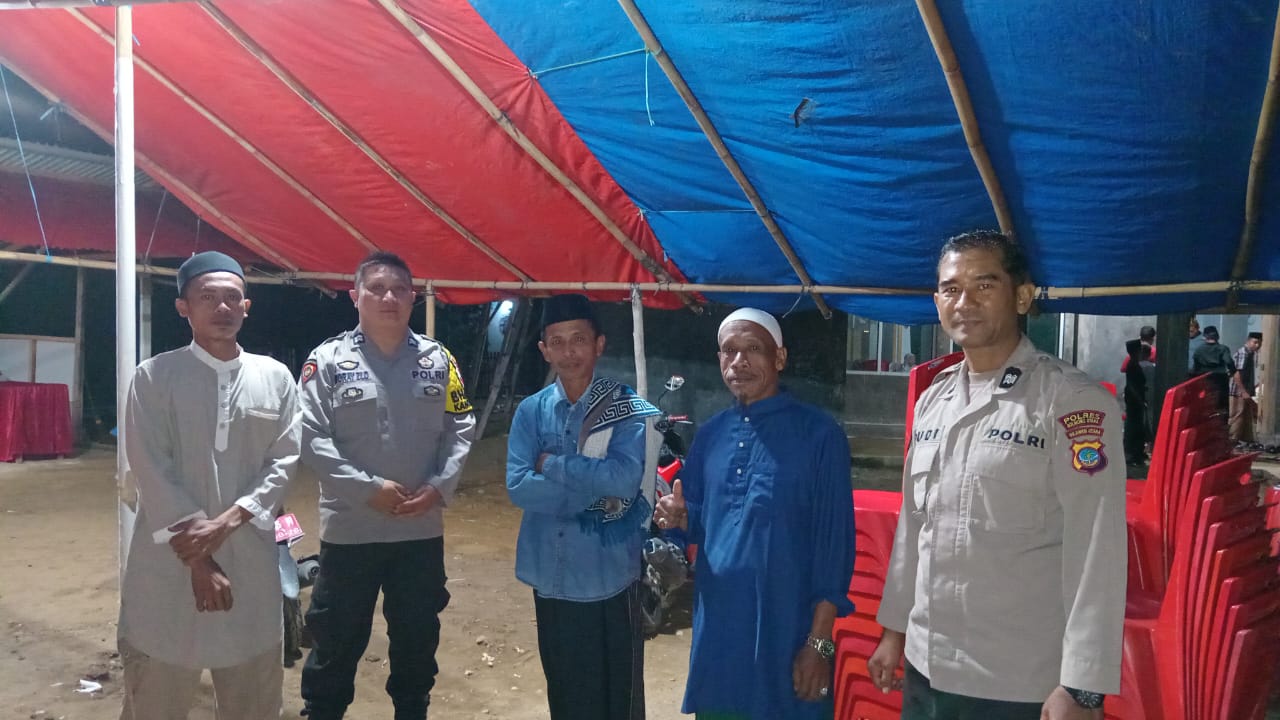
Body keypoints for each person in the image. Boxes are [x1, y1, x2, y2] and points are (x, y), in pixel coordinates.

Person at [868, 230, 1127, 719]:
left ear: (1022, 296)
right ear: (936, 302)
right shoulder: (933, 400)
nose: (964, 302)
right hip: (926, 665)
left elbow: (1097, 549)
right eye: (950, 289)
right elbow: (914, 530)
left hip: (1015, 678)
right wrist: (894, 632)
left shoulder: (1072, 402)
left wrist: (1083, 687)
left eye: (984, 285)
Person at [119, 251, 301, 719]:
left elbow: (283, 460)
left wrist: (230, 520)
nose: (222, 308)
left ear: (246, 306)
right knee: (156, 696)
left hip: (250, 560)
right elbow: (151, 469)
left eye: (232, 298)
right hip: (168, 564)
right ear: (184, 307)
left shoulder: (275, 378)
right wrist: (200, 560)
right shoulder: (154, 377)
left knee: (253, 697)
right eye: (207, 297)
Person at [653, 307, 856, 720]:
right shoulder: (710, 435)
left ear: (779, 358)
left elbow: (834, 547)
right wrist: (680, 517)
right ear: (719, 359)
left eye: (753, 349)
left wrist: (819, 644)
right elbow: (706, 518)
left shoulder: (820, 435)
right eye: (729, 351)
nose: (739, 362)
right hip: (719, 638)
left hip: (788, 635)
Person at [298, 251, 476, 720]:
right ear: (355, 296)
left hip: (419, 533)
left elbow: (460, 426)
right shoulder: (327, 360)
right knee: (335, 643)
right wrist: (367, 489)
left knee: (417, 643)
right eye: (376, 288)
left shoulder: (439, 360)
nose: (388, 298)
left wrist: (438, 487)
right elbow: (309, 436)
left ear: (413, 297)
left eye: (399, 289)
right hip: (351, 533)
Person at [506, 294, 658, 720]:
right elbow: (518, 487)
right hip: (550, 576)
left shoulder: (624, 406)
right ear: (544, 349)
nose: (568, 352)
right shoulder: (530, 412)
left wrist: (552, 465)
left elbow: (624, 480)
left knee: (618, 693)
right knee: (566, 690)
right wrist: (595, 491)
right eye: (557, 341)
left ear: (599, 344)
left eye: (578, 339)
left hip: (609, 574)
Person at [1191, 325, 1235, 417]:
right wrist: (1232, 372)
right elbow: (1229, 361)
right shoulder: (1223, 349)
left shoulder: (1199, 350)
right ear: (1217, 336)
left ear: (1204, 337)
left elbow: (1195, 367)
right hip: (1220, 380)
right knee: (1222, 405)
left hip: (1204, 379)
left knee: (1205, 402)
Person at [1229, 332, 1263, 444]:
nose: (1257, 345)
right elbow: (1237, 373)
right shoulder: (1243, 353)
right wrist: (1243, 391)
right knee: (1237, 416)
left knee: (1246, 416)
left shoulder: (1252, 354)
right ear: (1248, 341)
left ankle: (1245, 440)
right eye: (1255, 342)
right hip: (1238, 391)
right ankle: (1232, 440)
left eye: (1259, 343)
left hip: (1246, 390)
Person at [1123, 339, 1150, 466]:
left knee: (1136, 427)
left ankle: (1135, 453)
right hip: (1134, 400)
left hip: (1135, 399)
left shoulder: (1133, 364)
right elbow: (1132, 385)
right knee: (1134, 427)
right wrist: (1140, 399)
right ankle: (1133, 454)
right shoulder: (1133, 366)